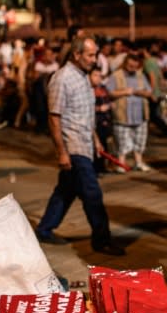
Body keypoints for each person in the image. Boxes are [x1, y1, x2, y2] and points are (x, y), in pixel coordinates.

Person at [34, 36, 125, 256]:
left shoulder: (83, 77)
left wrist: (95, 139)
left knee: (66, 190)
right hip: (73, 147)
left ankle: (44, 229)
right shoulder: (62, 78)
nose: (94, 59)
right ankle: (101, 240)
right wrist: (62, 152)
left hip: (85, 143)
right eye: (90, 55)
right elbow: (54, 117)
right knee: (93, 194)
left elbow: (84, 113)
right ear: (76, 55)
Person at [106, 52, 153, 172]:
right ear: (125, 63)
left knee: (140, 139)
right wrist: (125, 92)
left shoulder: (140, 76)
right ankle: (121, 164)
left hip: (140, 114)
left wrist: (137, 92)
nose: (132, 69)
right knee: (122, 140)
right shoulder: (116, 75)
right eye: (130, 66)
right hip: (122, 114)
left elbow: (148, 92)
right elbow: (109, 92)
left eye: (135, 67)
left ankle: (139, 162)